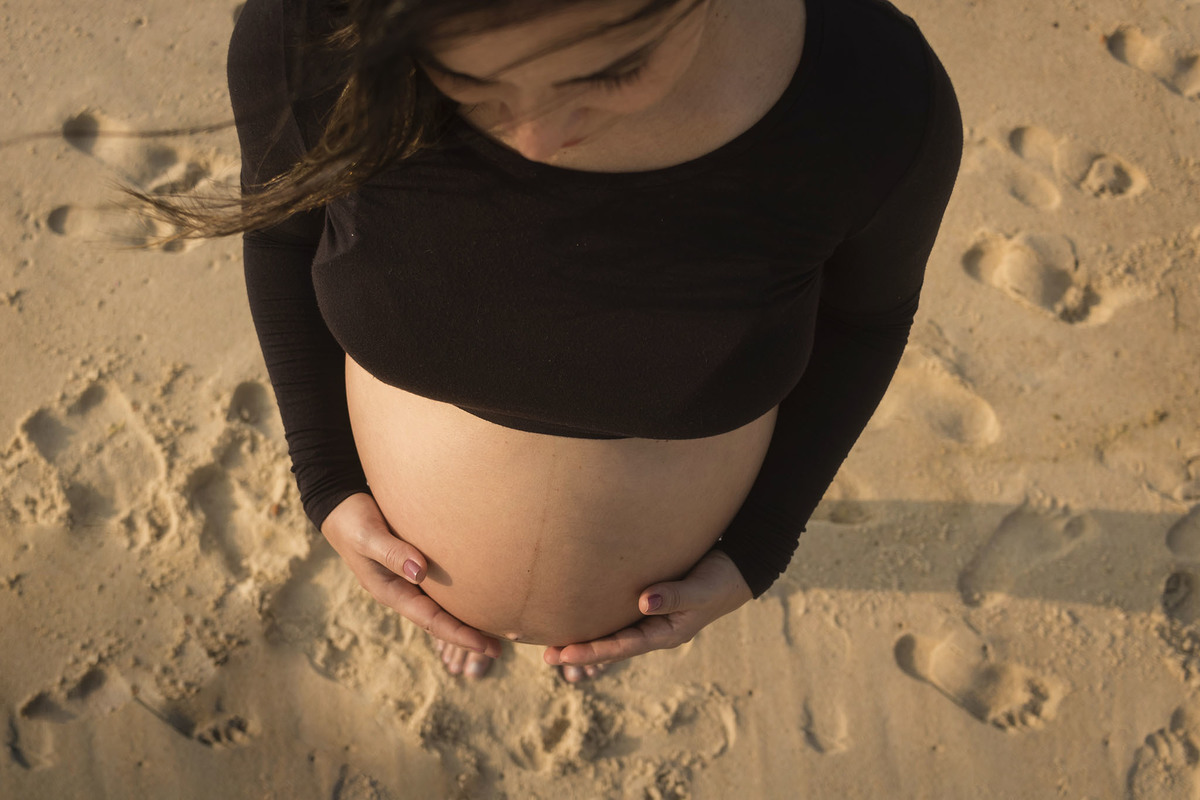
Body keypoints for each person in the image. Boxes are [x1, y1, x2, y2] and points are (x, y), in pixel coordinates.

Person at [143, 0, 962, 682]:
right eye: (470, 78)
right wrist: (324, 479)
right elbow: (284, 235)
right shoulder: (315, 30)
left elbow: (866, 318)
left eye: (611, 72)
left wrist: (761, 547)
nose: (538, 138)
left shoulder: (876, 99)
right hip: (429, 564)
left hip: (660, 585)